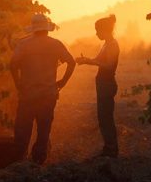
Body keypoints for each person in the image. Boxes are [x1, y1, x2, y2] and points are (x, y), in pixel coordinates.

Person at [10, 13, 75, 165]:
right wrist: (63, 82)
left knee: (22, 129)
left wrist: (18, 84)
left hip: (28, 94)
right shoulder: (56, 44)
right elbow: (71, 62)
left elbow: (12, 65)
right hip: (48, 94)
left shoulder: (24, 44)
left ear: (33, 29)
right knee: (44, 130)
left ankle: (20, 160)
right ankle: (38, 161)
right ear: (47, 29)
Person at [76, 14, 120, 158]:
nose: (96, 34)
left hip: (107, 84)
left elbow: (108, 65)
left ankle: (111, 149)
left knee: (106, 117)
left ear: (105, 30)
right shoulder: (106, 44)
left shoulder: (113, 45)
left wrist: (92, 62)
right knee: (103, 117)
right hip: (103, 83)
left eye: (97, 31)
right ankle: (109, 147)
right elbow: (98, 61)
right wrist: (86, 60)